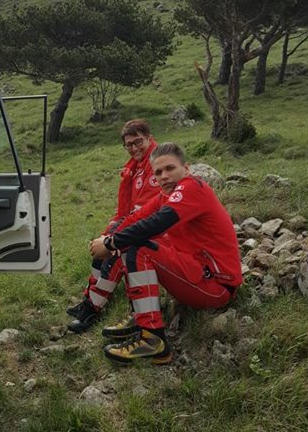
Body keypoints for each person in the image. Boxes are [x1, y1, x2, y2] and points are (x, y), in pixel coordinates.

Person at [89, 142, 243, 365]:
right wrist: (105, 238)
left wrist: (111, 243)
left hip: (216, 286)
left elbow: (159, 222)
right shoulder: (164, 196)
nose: (164, 176)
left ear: (186, 169)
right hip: (195, 273)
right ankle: (142, 316)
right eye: (158, 172)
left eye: (170, 169)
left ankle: (153, 341)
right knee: (132, 240)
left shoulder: (192, 186)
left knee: (140, 248)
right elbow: (136, 219)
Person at [67, 119, 160, 333]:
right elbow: (127, 208)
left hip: (157, 229)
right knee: (104, 244)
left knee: (112, 251)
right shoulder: (137, 164)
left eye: (138, 142)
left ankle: (93, 308)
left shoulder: (155, 163)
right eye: (129, 144)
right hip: (140, 222)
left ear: (148, 138)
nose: (134, 148)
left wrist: (112, 235)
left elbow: (146, 210)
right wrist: (111, 227)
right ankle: (90, 300)